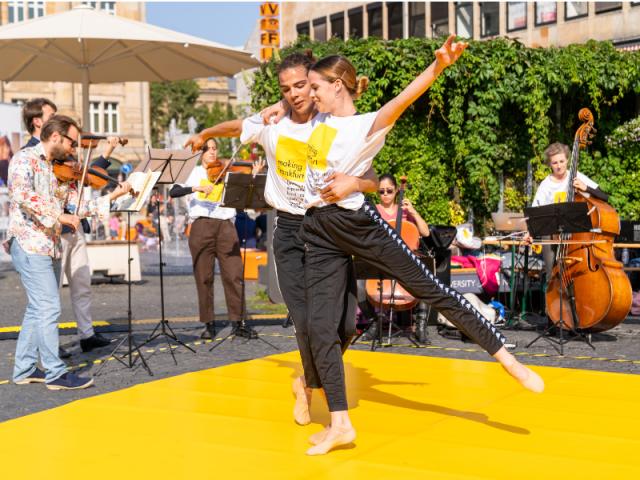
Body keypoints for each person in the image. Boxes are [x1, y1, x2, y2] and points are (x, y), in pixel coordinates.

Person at [266, 35, 544, 455]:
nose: (310, 95)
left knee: (428, 286)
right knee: (321, 329)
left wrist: (438, 67)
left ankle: (506, 357)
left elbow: (404, 98)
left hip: (357, 224)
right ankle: (340, 423)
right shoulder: (318, 120)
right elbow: (295, 100)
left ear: (337, 86)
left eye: (316, 87)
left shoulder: (366, 125)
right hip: (318, 228)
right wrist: (276, 108)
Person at [184, 51, 379, 428]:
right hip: (290, 231)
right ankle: (311, 392)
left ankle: (306, 380)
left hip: (330, 229)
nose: (294, 94)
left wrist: (355, 183)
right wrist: (206, 134)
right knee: (306, 322)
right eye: (286, 89)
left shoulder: (333, 121)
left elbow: (370, 177)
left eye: (301, 85)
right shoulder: (272, 122)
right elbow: (235, 126)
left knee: (345, 326)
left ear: (315, 83)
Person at [5, 115, 131, 390]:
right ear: (55, 137)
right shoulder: (24, 159)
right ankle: (55, 373)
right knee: (49, 306)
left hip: (50, 244)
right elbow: (22, 195)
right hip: (28, 242)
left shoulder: (63, 171)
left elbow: (78, 207)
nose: (75, 149)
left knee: (37, 308)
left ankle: (24, 369)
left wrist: (113, 197)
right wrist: (59, 215)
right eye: (72, 143)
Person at [21, 98, 121, 354]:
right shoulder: (30, 155)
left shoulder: (64, 154)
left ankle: (86, 334)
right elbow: (24, 196)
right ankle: (49, 345)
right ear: (38, 122)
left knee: (81, 282)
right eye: (52, 115)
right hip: (48, 234)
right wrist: (59, 215)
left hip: (74, 226)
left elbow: (84, 175)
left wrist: (107, 154)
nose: (57, 119)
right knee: (49, 295)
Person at [170, 138, 258, 340]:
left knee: (234, 274)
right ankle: (208, 324)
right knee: (204, 277)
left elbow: (243, 195)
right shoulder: (192, 172)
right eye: (207, 149)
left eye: (214, 148)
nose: (212, 152)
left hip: (226, 226)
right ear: (200, 153)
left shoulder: (226, 172)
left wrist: (252, 177)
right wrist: (196, 189)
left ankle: (239, 322)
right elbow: (174, 192)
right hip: (201, 226)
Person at [528, 142, 608, 278]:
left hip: (575, 233)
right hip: (552, 234)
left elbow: (604, 197)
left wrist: (585, 188)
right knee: (552, 275)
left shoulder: (576, 175)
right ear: (550, 164)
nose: (559, 166)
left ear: (567, 160)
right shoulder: (545, 184)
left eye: (562, 161)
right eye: (555, 163)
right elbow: (535, 213)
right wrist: (530, 232)